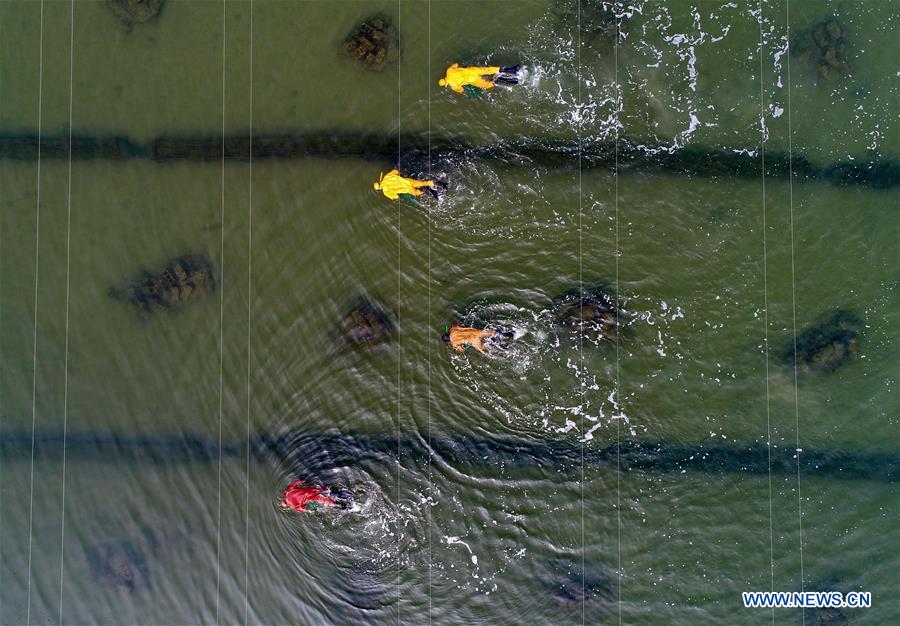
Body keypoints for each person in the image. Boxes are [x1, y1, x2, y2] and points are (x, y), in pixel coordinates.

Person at [438, 64, 521, 94]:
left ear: (446, 84)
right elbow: (456, 64)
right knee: (491, 70)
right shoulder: (449, 71)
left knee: (488, 84)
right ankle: (512, 70)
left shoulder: (453, 86)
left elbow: (462, 90)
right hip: (472, 70)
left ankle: (511, 81)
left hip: (472, 79)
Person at [281, 480, 353, 512]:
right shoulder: (288, 491)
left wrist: (313, 510)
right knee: (328, 490)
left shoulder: (294, 507)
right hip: (315, 489)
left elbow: (305, 509)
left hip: (316, 497)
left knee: (331, 503)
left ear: (288, 506)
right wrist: (303, 481)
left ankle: (349, 507)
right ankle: (347, 494)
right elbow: (296, 483)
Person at [441, 322, 511, 353]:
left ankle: (499, 345)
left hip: (474, 341)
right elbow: (456, 323)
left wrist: (458, 349)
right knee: (493, 332)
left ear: (448, 341)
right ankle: (509, 334)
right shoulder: (453, 329)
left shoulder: (454, 344)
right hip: (477, 332)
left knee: (482, 348)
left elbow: (462, 350)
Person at [373, 169, 438, 201]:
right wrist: (403, 175)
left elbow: (397, 197)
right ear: (379, 182)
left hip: (407, 189)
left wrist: (402, 200)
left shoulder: (386, 192)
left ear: (379, 189)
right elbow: (397, 171)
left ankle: (424, 190)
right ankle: (433, 182)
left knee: (417, 193)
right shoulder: (386, 176)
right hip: (408, 181)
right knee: (424, 183)